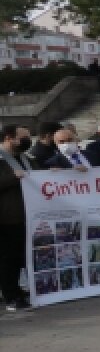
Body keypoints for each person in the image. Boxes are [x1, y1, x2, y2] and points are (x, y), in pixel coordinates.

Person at [0, 124, 34, 311]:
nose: (26, 140)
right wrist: (13, 177)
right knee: (8, 259)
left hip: (25, 215)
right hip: (6, 218)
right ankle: (10, 296)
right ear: (9, 138)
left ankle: (18, 290)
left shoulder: (24, 158)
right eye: (23, 137)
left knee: (19, 257)